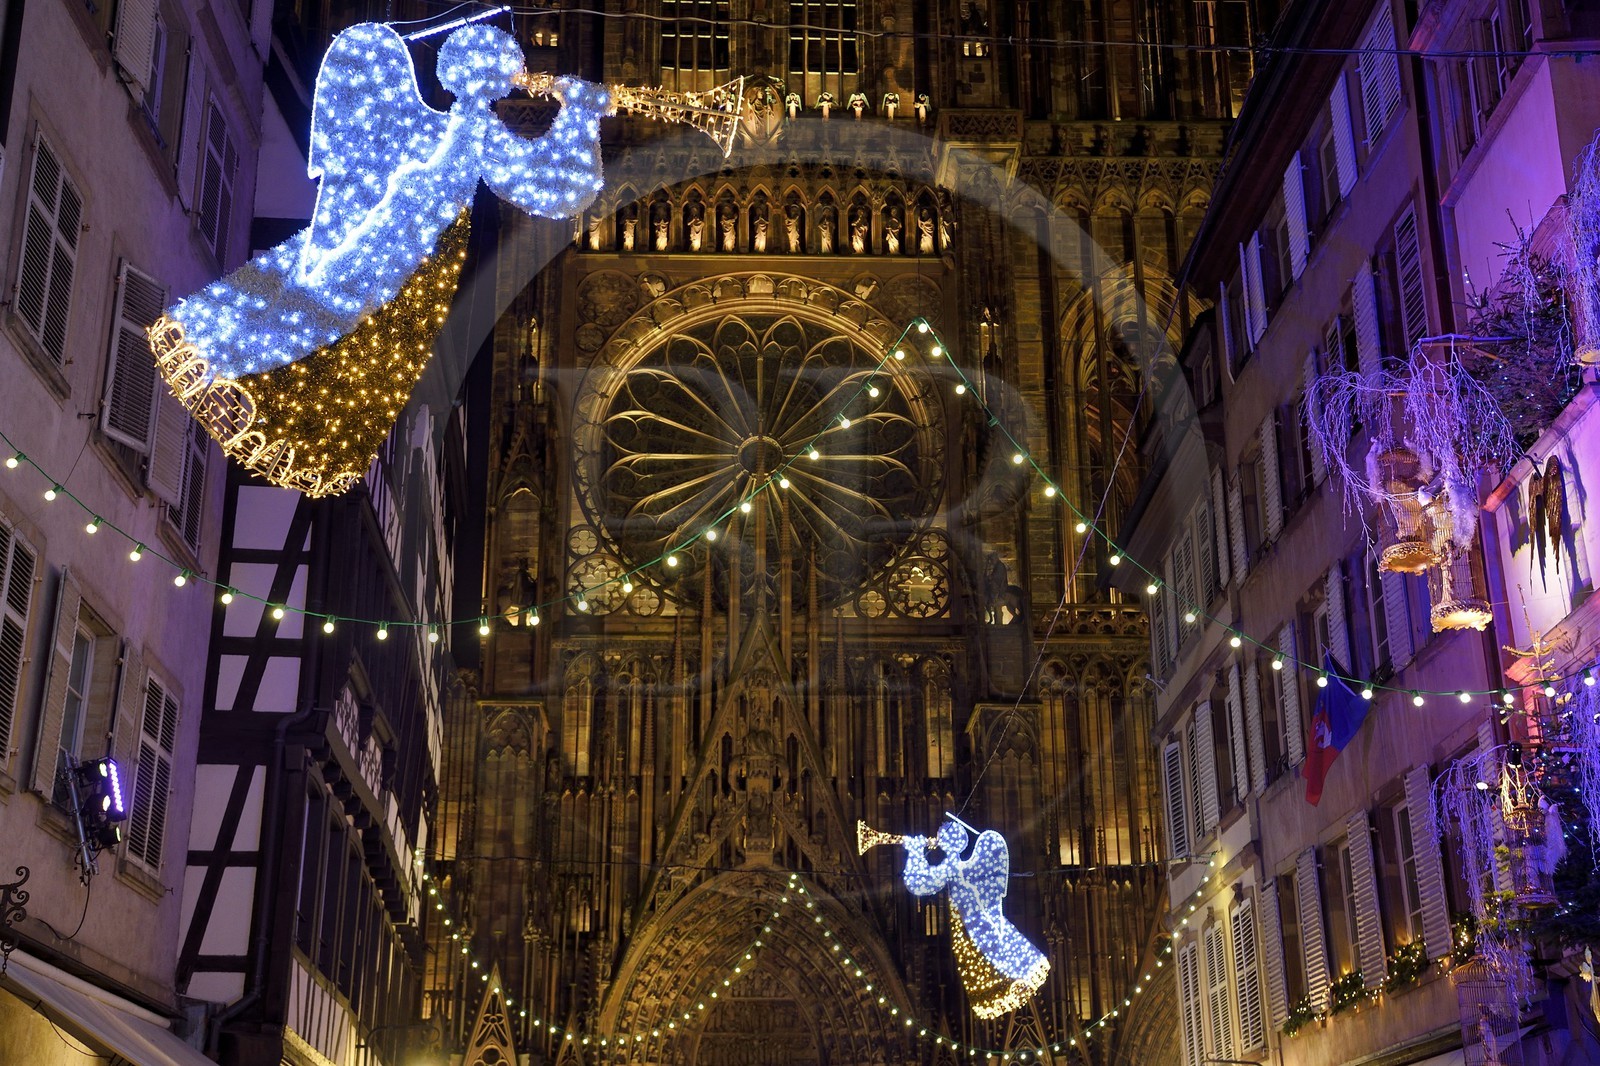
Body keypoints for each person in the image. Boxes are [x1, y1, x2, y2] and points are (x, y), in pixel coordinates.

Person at [898, 817, 1050, 1018]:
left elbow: (918, 882)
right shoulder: (970, 866)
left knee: (990, 964)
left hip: (971, 928)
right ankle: (1011, 982)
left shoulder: (952, 869)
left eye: (940, 838)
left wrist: (915, 852)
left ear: (945, 843)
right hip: (983, 924)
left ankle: (1006, 985)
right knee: (999, 960)